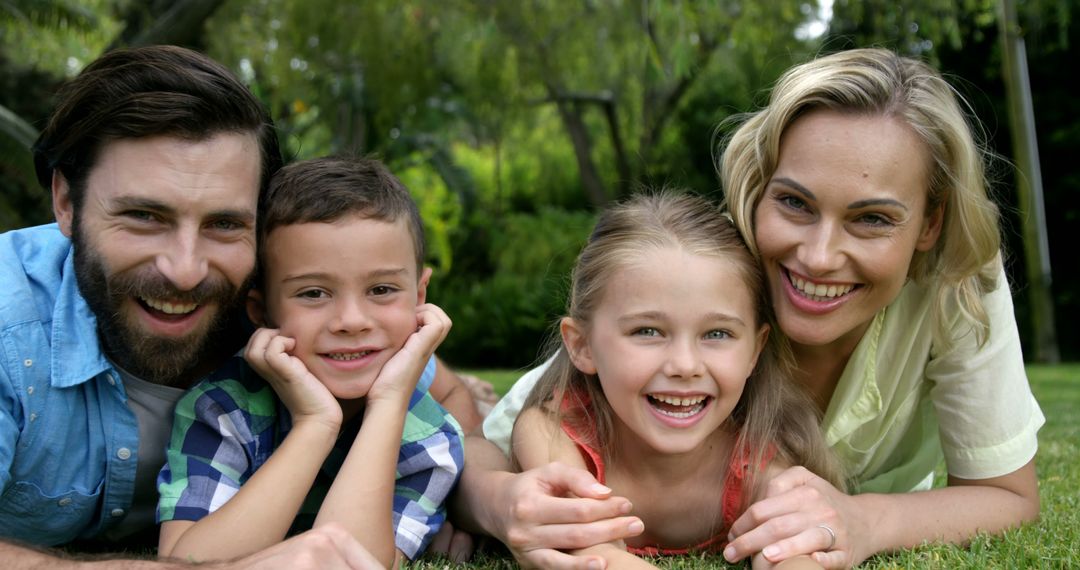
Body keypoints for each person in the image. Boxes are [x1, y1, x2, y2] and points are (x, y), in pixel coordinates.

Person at [456, 48, 1044, 570]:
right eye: (794, 202)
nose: (817, 257)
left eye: (872, 218)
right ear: (758, 190)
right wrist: (493, 502)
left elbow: (1009, 495)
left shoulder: (959, 282)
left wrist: (865, 521)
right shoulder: (711, 272)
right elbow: (508, 436)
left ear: (930, 222)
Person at [0, 45, 472, 567]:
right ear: (66, 202)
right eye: (143, 215)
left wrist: (488, 499)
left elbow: (451, 396)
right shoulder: (10, 325)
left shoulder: (289, 311)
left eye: (224, 224)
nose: (186, 270)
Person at [156, 156, 464, 568]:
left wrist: (389, 403)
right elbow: (186, 561)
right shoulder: (222, 410)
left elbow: (358, 563)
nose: (352, 321)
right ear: (261, 311)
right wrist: (316, 424)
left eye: (382, 289)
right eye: (314, 293)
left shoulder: (431, 441)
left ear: (420, 296)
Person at [511, 192, 844, 569]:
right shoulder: (551, 433)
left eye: (717, 334)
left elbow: (794, 558)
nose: (685, 366)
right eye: (648, 331)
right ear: (582, 346)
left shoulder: (758, 464)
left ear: (755, 350)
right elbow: (593, 555)